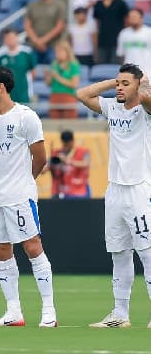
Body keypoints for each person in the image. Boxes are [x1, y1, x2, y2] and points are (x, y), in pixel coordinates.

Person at [0, 66, 56, 327]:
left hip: (19, 195)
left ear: (0, 87)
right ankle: (13, 311)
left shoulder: (26, 117)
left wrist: (24, 181)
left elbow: (41, 158)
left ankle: (49, 311)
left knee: (32, 246)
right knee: (1, 249)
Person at [77, 64, 151, 328]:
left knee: (147, 253)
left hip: (139, 189)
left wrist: (141, 86)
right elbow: (82, 95)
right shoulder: (112, 107)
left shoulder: (145, 112)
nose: (119, 88)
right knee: (119, 252)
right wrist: (115, 82)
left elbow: (148, 100)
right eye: (118, 83)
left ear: (139, 86)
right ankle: (120, 314)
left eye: (125, 84)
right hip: (115, 190)